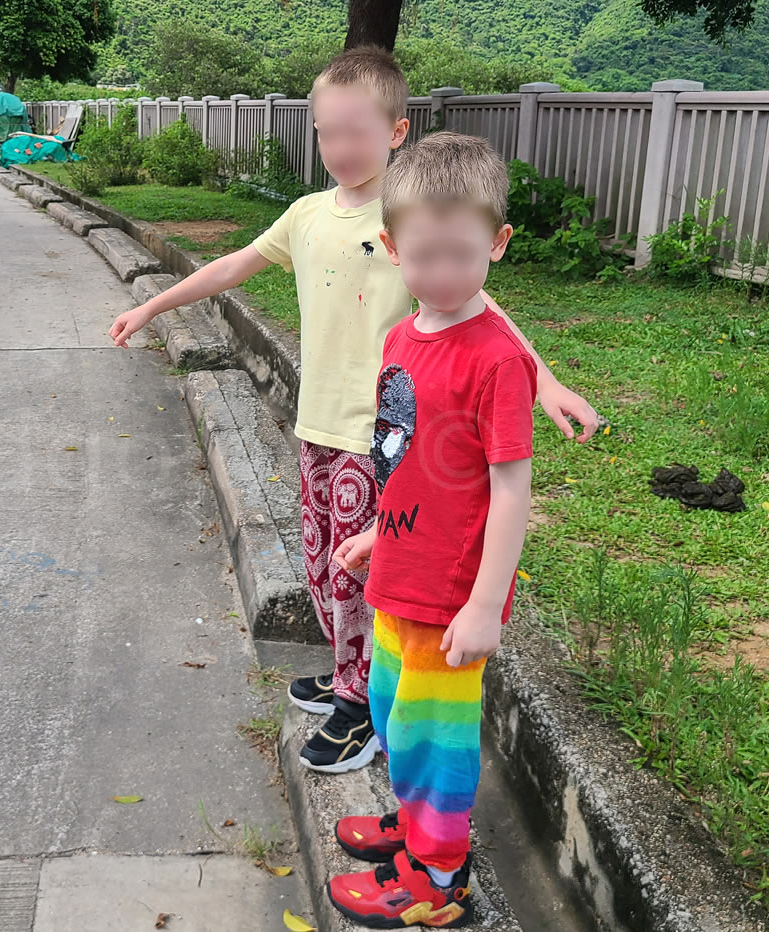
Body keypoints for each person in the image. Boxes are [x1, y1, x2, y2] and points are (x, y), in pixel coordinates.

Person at [109, 46, 596, 775]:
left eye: (355, 132)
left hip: (385, 441)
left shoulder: (413, 218)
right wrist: (153, 302)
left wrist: (545, 379)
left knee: (374, 576)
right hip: (317, 426)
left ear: (397, 133)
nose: (340, 148)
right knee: (325, 564)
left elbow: (479, 303)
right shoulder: (307, 214)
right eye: (325, 132)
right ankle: (348, 673)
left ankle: (361, 707)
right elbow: (231, 265)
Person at [325, 131, 532, 928]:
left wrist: (485, 605)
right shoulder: (401, 339)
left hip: (452, 599)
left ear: (498, 243)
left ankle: (439, 876)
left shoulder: (497, 359)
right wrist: (383, 532)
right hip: (401, 576)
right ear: (390, 245)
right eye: (422, 257)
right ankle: (413, 833)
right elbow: (407, 460)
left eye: (461, 255)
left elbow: (510, 494)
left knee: (434, 741)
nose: (440, 276)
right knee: (391, 710)